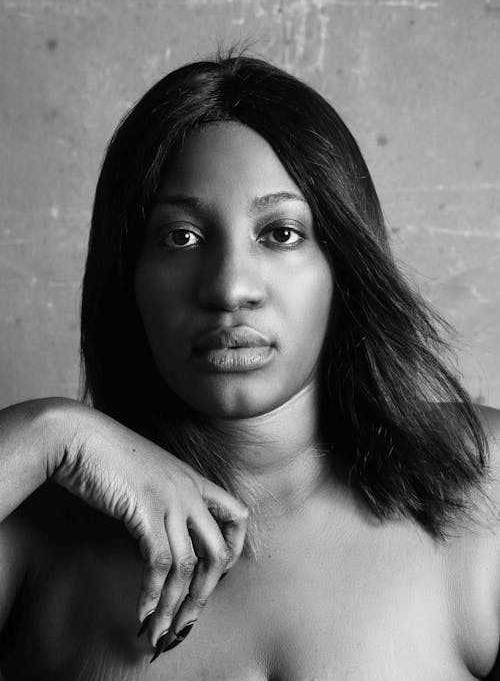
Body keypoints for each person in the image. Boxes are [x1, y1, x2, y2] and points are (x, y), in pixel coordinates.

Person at [1, 48, 500, 680]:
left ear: (342, 267)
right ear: (128, 276)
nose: (231, 287)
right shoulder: (31, 530)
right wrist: (46, 433)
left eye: (281, 234)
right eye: (180, 236)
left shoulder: (480, 479)